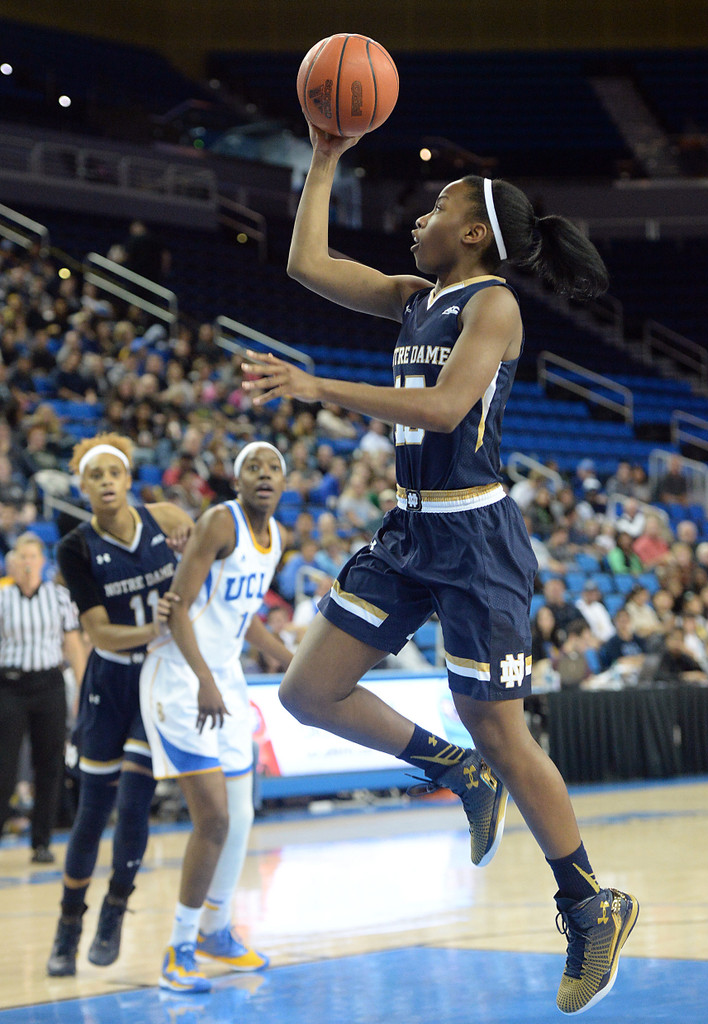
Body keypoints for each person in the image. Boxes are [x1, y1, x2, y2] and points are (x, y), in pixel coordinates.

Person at [241, 123, 638, 1015]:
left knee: (503, 726)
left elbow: (451, 405)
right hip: (408, 531)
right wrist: (327, 154)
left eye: (437, 208)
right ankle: (455, 771)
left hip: (476, 539)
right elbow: (308, 264)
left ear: (473, 234)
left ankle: (588, 904)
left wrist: (318, 386)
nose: (418, 217)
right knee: (307, 693)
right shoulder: (418, 295)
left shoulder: (493, 306)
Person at [140, 442, 292, 992]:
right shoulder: (218, 524)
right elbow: (177, 608)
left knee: (243, 818)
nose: (264, 475)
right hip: (181, 676)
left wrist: (289, 659)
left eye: (273, 468)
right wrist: (204, 678)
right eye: (253, 467)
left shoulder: (277, 538)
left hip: (223, 677)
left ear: (284, 481)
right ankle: (178, 948)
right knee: (215, 818)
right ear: (236, 478)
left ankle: (216, 930)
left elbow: (244, 616)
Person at [46, 433, 194, 977]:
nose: (106, 482)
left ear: (128, 478)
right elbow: (101, 634)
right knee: (91, 814)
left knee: (135, 804)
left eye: (115, 473)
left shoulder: (161, 516)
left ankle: (113, 911)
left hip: (155, 683)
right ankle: (68, 925)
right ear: (82, 488)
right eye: (95, 476)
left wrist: (187, 526)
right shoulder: (75, 548)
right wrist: (155, 627)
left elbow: (188, 524)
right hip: (109, 684)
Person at [0, 533, 87, 863]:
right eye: (21, 556)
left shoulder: (59, 597)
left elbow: (74, 644)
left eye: (32, 556)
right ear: (12, 561)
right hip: (9, 684)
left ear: (42, 561)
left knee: (49, 765)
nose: (26, 562)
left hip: (49, 684)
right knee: (4, 767)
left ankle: (41, 842)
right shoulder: (3, 598)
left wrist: (81, 687)